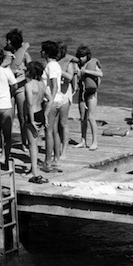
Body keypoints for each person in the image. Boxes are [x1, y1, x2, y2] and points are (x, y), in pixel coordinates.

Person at [24, 61, 52, 183]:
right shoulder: (42, 84)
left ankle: (34, 171)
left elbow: (30, 104)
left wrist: (30, 120)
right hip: (40, 112)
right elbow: (50, 99)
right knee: (35, 143)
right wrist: (45, 115)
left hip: (32, 115)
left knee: (32, 145)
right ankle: (33, 168)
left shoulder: (29, 85)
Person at [40, 40, 65, 172]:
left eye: (42, 50)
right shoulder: (56, 65)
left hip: (52, 100)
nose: (40, 52)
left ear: (47, 52)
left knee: (48, 132)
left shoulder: (50, 66)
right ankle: (56, 159)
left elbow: (54, 85)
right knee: (54, 131)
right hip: (59, 100)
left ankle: (47, 162)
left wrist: (49, 103)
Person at [5, 28, 32, 151]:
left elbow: (31, 71)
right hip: (9, 88)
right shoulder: (7, 54)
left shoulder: (25, 54)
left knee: (23, 117)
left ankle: (24, 142)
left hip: (21, 88)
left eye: (7, 41)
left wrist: (23, 71)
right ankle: (7, 142)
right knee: (8, 117)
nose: (6, 43)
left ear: (11, 41)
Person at [54, 42, 79, 161]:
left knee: (63, 123)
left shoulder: (68, 62)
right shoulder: (54, 61)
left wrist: (58, 71)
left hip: (64, 94)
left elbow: (69, 76)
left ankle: (64, 151)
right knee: (55, 125)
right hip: (55, 93)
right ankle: (56, 150)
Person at [76, 44, 103, 150]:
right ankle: (83, 140)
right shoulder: (78, 66)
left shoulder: (91, 64)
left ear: (87, 56)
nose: (80, 58)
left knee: (91, 117)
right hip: (82, 93)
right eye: (79, 56)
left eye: (82, 56)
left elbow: (100, 74)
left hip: (91, 94)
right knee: (83, 118)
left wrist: (86, 71)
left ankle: (94, 142)